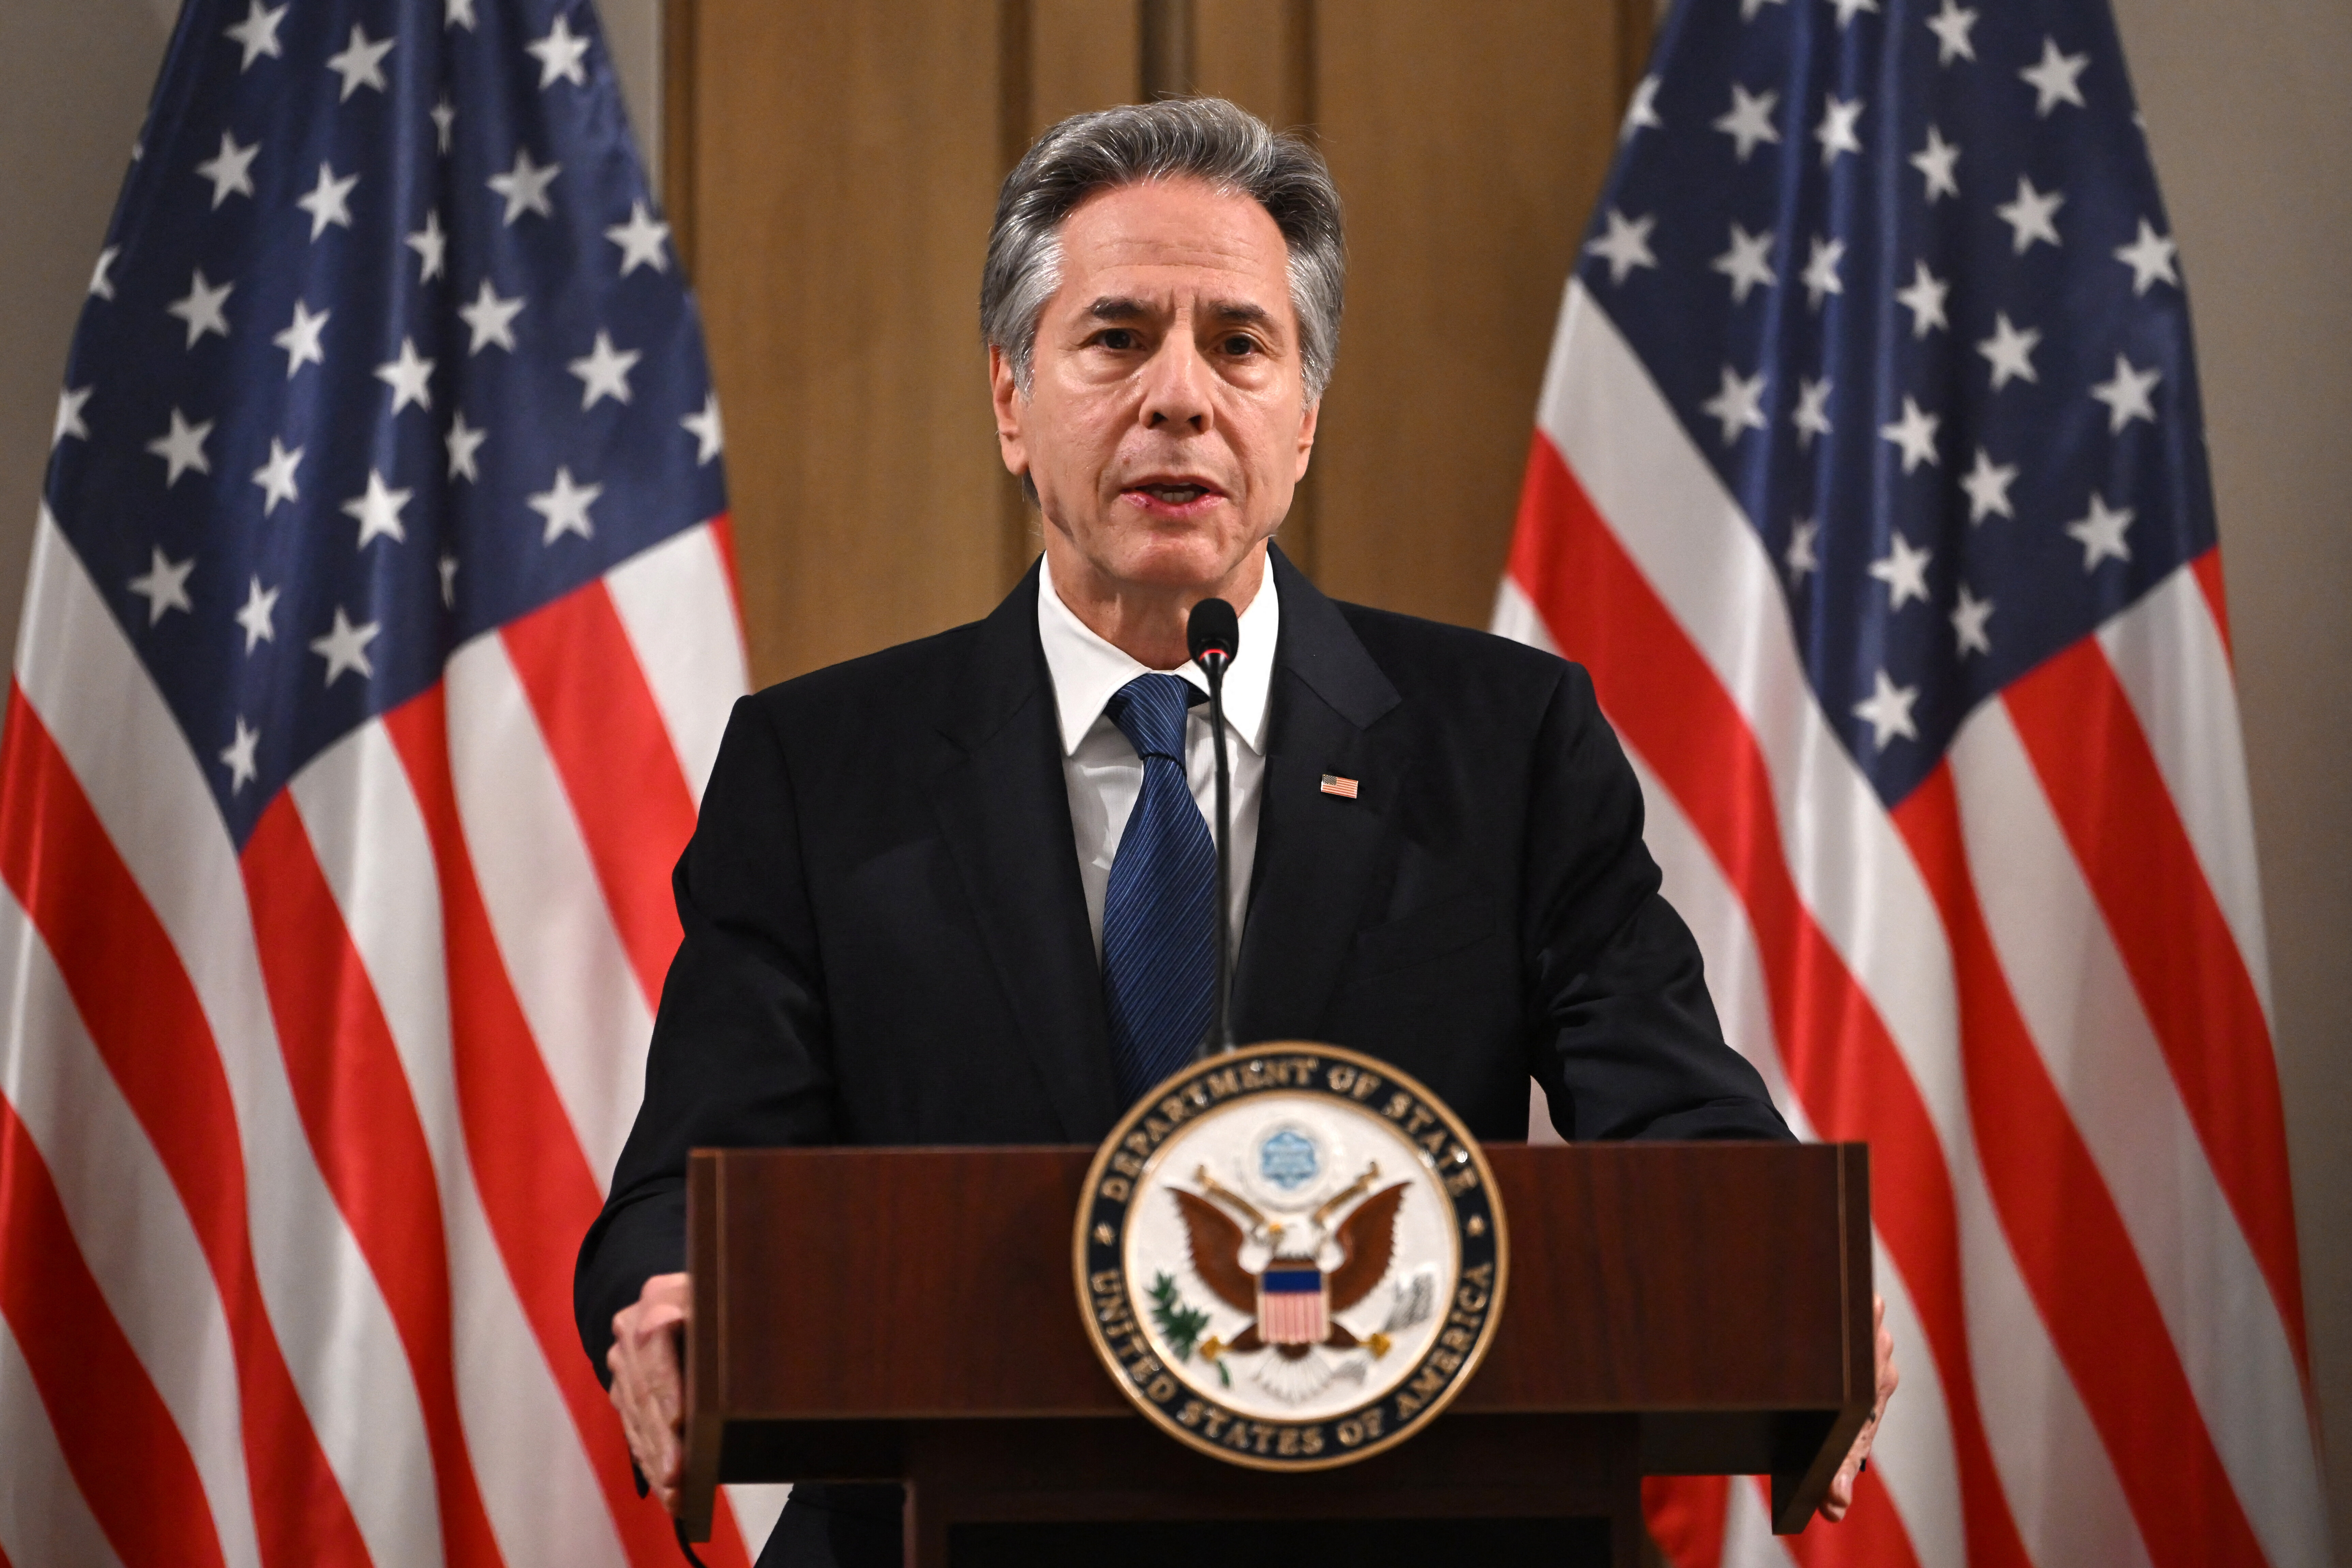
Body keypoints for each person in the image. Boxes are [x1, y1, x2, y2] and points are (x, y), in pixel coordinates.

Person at [578, 97, 1896, 1566]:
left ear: (1306, 413)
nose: (1182, 398)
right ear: (1012, 399)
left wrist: (1793, 1274)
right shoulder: (824, 768)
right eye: (1118, 337)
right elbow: (680, 1189)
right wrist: (674, 1300)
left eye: (1241, 346)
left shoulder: (1508, 744)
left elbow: (1674, 1118)